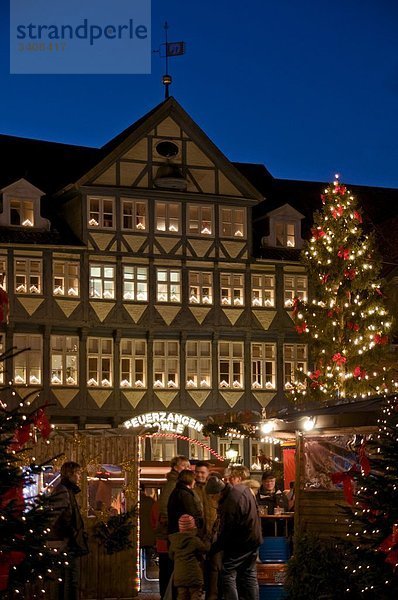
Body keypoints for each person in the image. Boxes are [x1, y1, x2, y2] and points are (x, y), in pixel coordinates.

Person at [213, 465, 262, 600]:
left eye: (230, 478)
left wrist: (217, 546)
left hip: (241, 542)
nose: (228, 481)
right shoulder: (248, 492)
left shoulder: (235, 494)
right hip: (253, 540)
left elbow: (229, 524)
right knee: (249, 574)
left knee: (227, 573)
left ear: (237, 478)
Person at [50, 461, 88, 600]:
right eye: (77, 473)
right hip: (68, 541)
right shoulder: (64, 491)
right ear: (70, 474)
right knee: (70, 579)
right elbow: (59, 516)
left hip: (69, 539)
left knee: (69, 578)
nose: (79, 476)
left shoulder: (66, 490)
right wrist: (71, 533)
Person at [155, 455, 190, 599]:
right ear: (176, 467)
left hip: (171, 533)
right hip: (171, 534)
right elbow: (164, 508)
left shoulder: (175, 483)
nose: (188, 469)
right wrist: (174, 526)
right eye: (184, 466)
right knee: (169, 568)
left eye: (188, 466)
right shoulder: (173, 484)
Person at [169, 514, 210, 600]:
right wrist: (207, 540)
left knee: (182, 596)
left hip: (179, 576)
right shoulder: (194, 540)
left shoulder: (174, 541)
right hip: (194, 576)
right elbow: (205, 549)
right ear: (193, 527)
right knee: (195, 596)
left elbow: (171, 556)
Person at [204, 475, 226, 600]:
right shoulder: (218, 501)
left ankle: (214, 594)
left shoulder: (222, 502)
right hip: (214, 539)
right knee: (215, 569)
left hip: (216, 540)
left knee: (216, 569)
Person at [167, 470, 204, 535]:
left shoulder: (176, 491)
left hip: (175, 529)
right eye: (194, 479)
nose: (195, 481)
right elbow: (191, 512)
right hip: (184, 529)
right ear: (189, 479)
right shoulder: (185, 494)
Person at [194, 461, 211, 537]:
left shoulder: (213, 488)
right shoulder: (191, 489)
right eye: (197, 472)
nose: (199, 475)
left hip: (211, 532)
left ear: (208, 473)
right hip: (196, 532)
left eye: (202, 472)